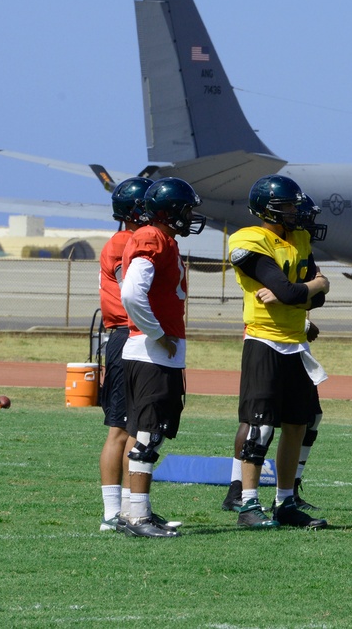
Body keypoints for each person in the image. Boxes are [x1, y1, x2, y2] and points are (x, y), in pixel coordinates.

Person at [223, 174, 330, 530]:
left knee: (298, 424)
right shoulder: (247, 240)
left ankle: (285, 502)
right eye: (288, 206)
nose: (296, 211)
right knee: (260, 427)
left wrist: (309, 288)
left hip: (295, 342)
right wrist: (311, 285)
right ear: (267, 210)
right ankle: (248, 505)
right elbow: (289, 291)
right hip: (264, 340)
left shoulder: (299, 238)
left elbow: (314, 295)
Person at [119, 177, 206, 537]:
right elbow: (131, 294)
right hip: (151, 352)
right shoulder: (152, 238)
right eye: (185, 210)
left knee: (150, 432)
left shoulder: (161, 239)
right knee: (148, 434)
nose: (190, 216)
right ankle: (136, 516)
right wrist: (157, 333)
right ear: (169, 213)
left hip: (155, 353)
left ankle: (134, 511)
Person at [97, 177, 152, 532]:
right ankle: (111, 512)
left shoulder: (134, 239)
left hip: (133, 336)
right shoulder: (122, 242)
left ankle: (133, 509)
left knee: (136, 425)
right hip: (125, 335)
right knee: (120, 427)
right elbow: (128, 285)